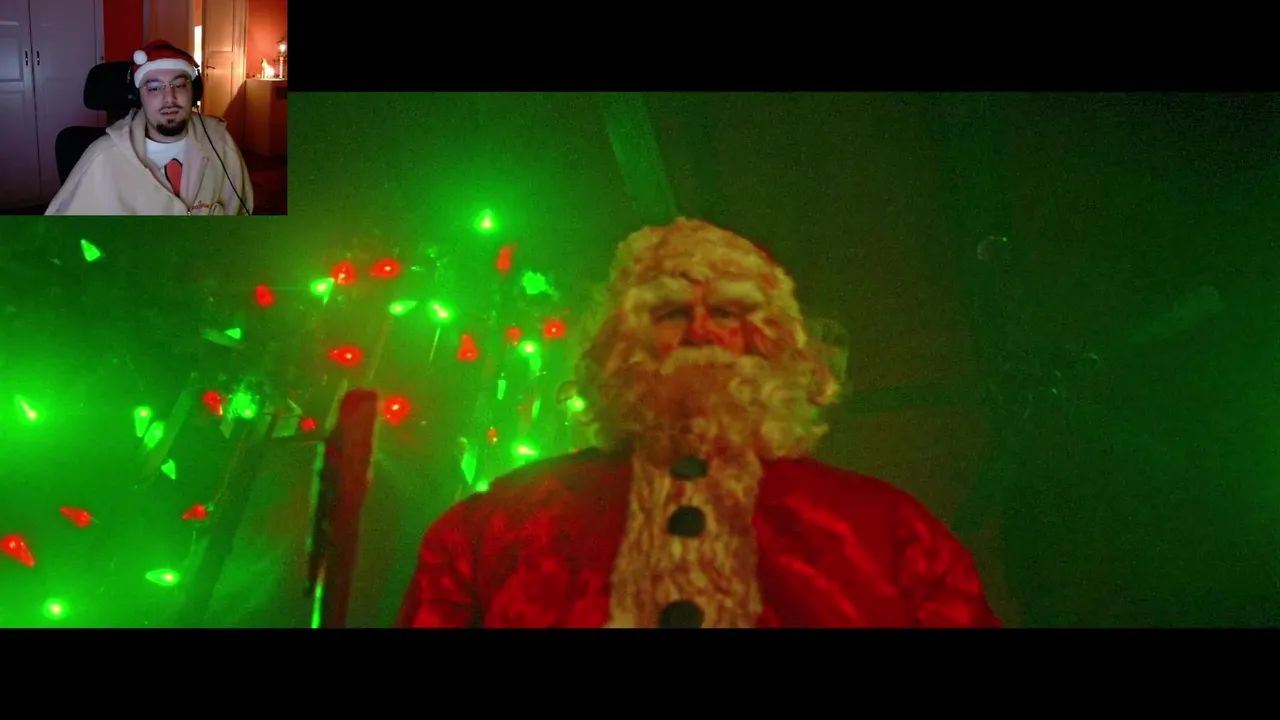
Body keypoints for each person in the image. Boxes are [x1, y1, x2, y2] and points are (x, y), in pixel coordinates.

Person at [396, 218, 1000, 628]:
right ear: (620, 347)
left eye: (729, 312)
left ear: (773, 346)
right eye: (670, 312)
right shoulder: (494, 528)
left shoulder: (893, 534)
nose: (701, 331)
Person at [45, 40, 253, 216]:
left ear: (195, 92)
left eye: (179, 85)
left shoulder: (221, 144)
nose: (169, 98)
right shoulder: (102, 157)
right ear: (138, 97)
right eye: (154, 88)